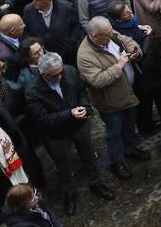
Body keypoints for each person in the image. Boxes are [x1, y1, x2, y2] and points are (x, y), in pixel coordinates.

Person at [23, 51, 115, 215]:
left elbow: (81, 92)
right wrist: (69, 114)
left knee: (89, 156)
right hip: (57, 135)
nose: (59, 77)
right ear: (42, 73)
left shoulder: (70, 72)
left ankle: (96, 183)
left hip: (79, 127)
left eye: (60, 73)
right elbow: (43, 119)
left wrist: (85, 107)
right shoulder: (32, 91)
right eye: (53, 76)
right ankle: (70, 193)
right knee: (63, 165)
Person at [75, 16, 150, 179]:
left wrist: (135, 50)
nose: (113, 34)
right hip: (110, 101)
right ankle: (117, 162)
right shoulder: (85, 55)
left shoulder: (109, 33)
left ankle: (130, 149)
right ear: (95, 36)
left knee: (130, 125)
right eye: (108, 34)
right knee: (114, 133)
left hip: (128, 93)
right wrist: (119, 66)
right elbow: (96, 80)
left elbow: (127, 40)